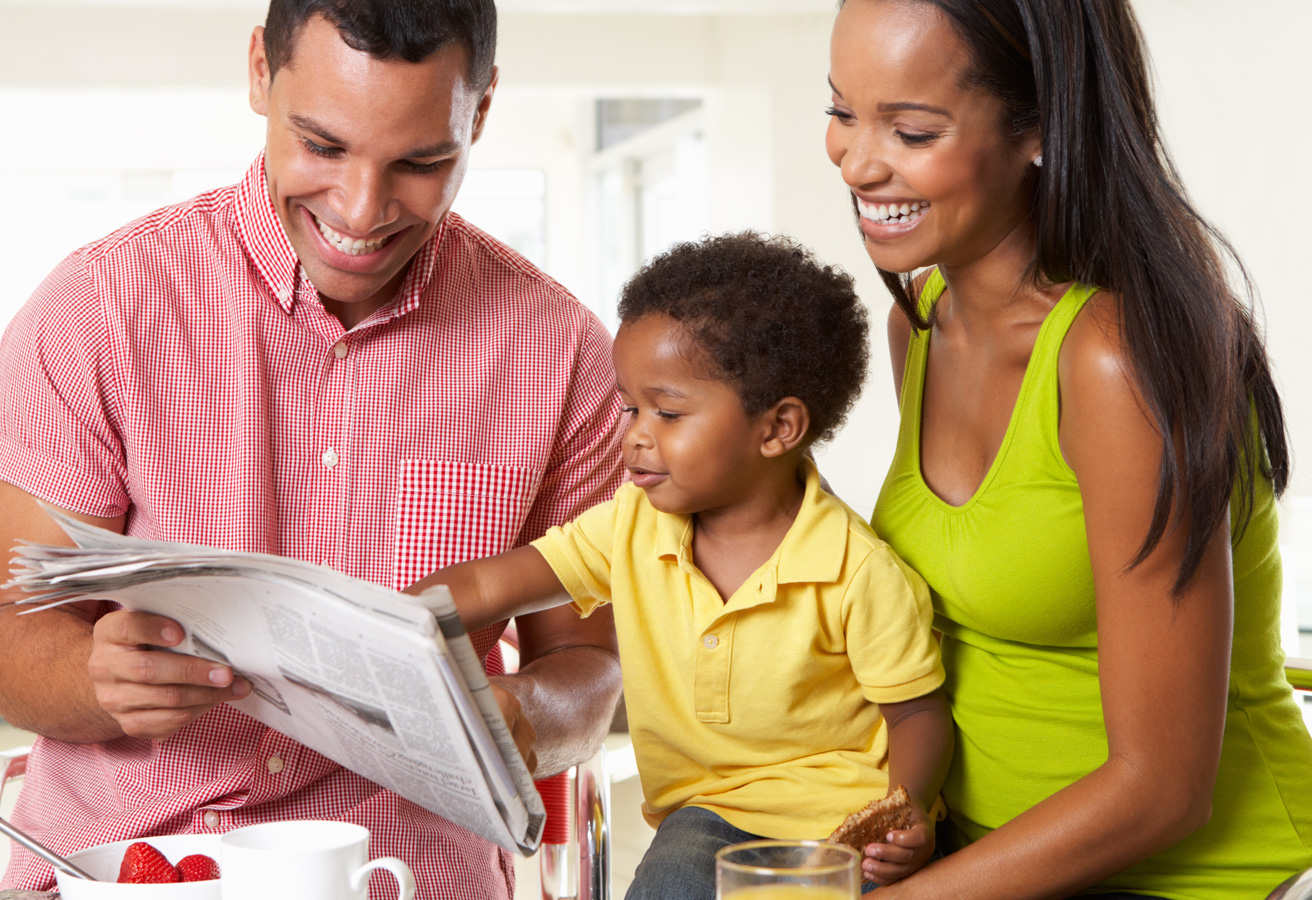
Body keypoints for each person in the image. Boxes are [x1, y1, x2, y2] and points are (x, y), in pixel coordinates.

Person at [0, 1, 624, 896]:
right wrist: (95, 678)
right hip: (139, 861)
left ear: (479, 113)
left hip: (408, 870)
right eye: (322, 145)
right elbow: (9, 637)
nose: (361, 210)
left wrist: (528, 715)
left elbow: (589, 666)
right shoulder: (98, 310)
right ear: (258, 72)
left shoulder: (561, 352)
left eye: (419, 163)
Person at [823, 2, 1312, 899]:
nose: (856, 162)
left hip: (1216, 884)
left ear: (1040, 125)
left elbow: (1163, 789)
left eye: (911, 131)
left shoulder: (1116, 358)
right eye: (841, 111)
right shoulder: (920, 324)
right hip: (991, 872)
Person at [409, 233, 954, 900]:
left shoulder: (858, 570)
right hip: (706, 815)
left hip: (838, 825)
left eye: (667, 413)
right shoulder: (632, 525)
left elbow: (917, 715)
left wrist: (905, 811)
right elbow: (489, 583)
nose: (634, 435)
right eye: (630, 407)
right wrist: (386, 622)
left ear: (778, 428)